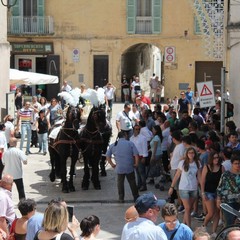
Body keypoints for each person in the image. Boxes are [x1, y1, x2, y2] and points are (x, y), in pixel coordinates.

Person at [168, 147, 201, 228]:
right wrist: (172, 187)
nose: (191, 154)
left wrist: (201, 188)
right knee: (188, 208)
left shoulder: (197, 163)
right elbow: (177, 175)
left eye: (192, 153)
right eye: (189, 153)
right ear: (186, 154)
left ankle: (183, 225)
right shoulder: (182, 163)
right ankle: (189, 228)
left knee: (188, 209)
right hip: (184, 188)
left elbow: (199, 177)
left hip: (193, 188)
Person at [106, 131, 139, 203]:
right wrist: (136, 163)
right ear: (125, 135)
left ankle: (121, 198)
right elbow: (136, 155)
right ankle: (136, 197)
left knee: (120, 183)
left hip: (119, 167)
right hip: (129, 167)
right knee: (132, 182)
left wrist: (112, 164)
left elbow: (107, 156)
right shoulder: (130, 143)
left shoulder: (113, 145)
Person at [201, 151, 223, 238]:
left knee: (217, 212)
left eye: (217, 157)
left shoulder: (222, 167)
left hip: (218, 193)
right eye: (214, 158)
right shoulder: (206, 167)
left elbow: (223, 181)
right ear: (211, 158)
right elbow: (202, 181)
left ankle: (214, 231)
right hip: (208, 191)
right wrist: (202, 193)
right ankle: (204, 226)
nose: (216, 159)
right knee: (211, 212)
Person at [216, 150, 240, 226]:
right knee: (229, 222)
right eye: (236, 163)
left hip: (238, 200)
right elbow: (220, 188)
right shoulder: (226, 174)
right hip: (227, 201)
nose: (238, 165)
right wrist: (218, 199)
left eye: (239, 163)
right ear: (232, 164)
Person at [130, 124, 148, 191]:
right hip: (134, 157)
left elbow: (144, 148)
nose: (137, 130)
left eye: (138, 129)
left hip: (140, 157)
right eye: (136, 129)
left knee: (142, 172)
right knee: (137, 172)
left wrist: (144, 157)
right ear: (133, 130)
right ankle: (139, 184)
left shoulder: (143, 138)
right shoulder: (131, 138)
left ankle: (144, 185)